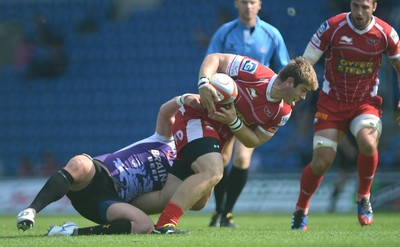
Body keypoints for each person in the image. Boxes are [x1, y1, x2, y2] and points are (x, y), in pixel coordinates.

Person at [151, 53, 318, 234]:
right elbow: (216, 58)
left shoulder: (283, 112)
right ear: (289, 82)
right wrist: (204, 83)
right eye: (303, 90)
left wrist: (233, 122)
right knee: (213, 171)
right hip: (196, 118)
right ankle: (165, 224)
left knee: (193, 201)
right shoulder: (255, 72)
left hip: (218, 135)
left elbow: (254, 140)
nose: (303, 97)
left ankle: (120, 207)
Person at [16, 94, 203, 236]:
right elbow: (165, 111)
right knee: (80, 162)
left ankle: (70, 232)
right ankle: (31, 210)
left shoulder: (183, 174)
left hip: (110, 200)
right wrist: (183, 98)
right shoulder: (166, 140)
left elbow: (198, 197)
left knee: (144, 225)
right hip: (99, 173)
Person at [291, 0, 400, 230]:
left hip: (365, 103)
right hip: (331, 103)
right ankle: (301, 209)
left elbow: (399, 67)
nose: (359, 12)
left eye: (364, 7)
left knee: (368, 142)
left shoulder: (386, 33)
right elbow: (306, 63)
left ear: (374, 6)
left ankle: (363, 197)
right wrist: (295, 91)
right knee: (322, 161)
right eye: (355, 5)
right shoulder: (333, 26)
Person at [205, 0, 290, 227]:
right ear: (236, 4)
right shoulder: (224, 33)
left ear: (259, 5)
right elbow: (212, 61)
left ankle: (228, 213)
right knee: (222, 157)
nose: (248, 6)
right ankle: (218, 210)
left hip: (256, 110)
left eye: (252, 2)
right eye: (244, 2)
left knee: (243, 158)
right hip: (227, 104)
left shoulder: (272, 35)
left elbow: (284, 72)